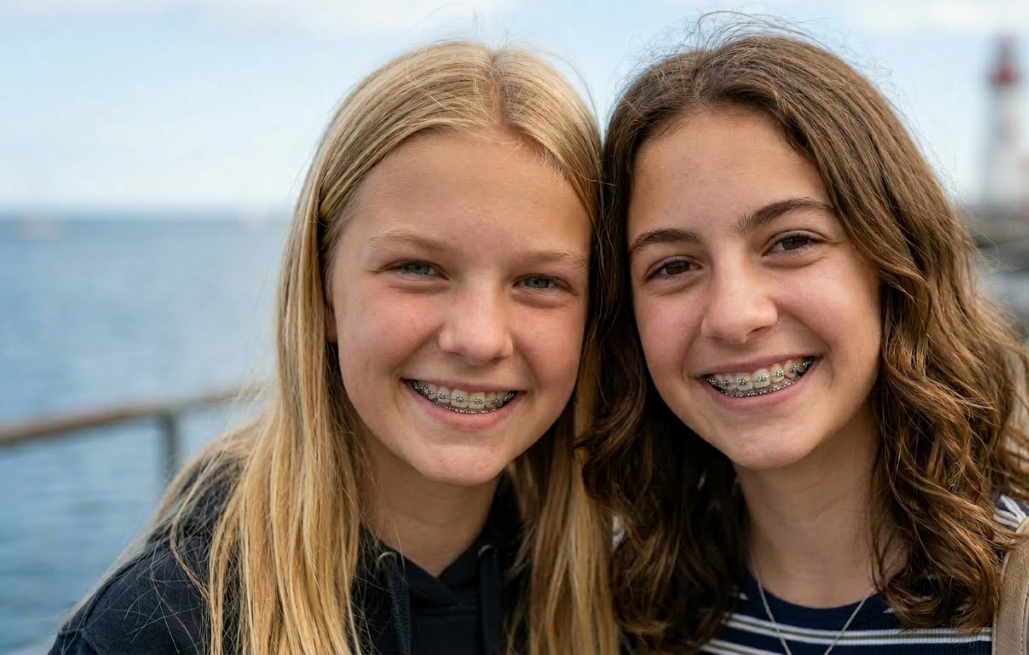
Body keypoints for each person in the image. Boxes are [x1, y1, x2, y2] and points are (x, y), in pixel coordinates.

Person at [583, 25, 1029, 655]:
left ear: (894, 265)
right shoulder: (630, 611)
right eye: (673, 266)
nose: (734, 315)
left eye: (791, 241)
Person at [51, 41, 617, 655]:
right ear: (321, 294)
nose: (479, 338)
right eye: (418, 268)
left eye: (539, 282)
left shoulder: (620, 594)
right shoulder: (160, 629)